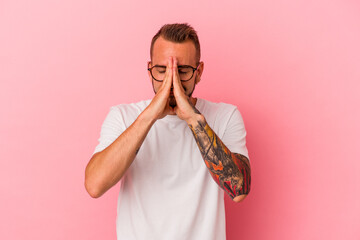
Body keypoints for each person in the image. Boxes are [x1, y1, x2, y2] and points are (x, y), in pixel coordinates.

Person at [85, 23, 251, 240]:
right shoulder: (123, 116)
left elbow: (239, 190)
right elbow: (94, 186)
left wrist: (193, 118)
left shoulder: (225, 116)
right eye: (162, 71)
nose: (171, 81)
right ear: (149, 70)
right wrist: (150, 115)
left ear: (198, 72)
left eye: (182, 71)